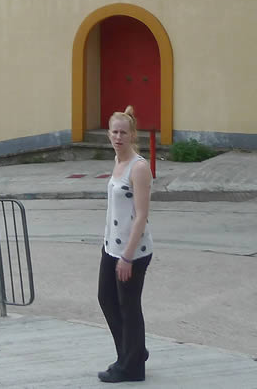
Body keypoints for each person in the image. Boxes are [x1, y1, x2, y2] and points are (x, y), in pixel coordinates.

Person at [97, 105, 154, 382]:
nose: (118, 137)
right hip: (111, 246)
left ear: (132, 135)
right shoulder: (118, 162)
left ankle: (131, 367)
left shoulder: (138, 167)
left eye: (124, 132)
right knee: (106, 298)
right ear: (109, 135)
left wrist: (128, 257)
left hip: (132, 251)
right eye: (114, 132)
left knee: (129, 307)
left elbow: (142, 216)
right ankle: (133, 351)